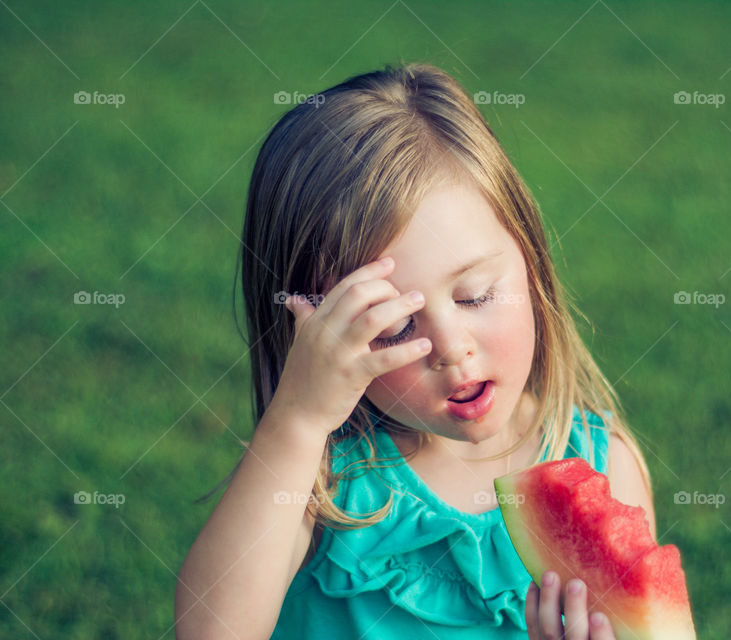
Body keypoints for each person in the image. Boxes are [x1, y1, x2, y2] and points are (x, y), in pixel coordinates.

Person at [175, 62, 656, 640]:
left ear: (529, 256)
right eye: (397, 326)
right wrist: (297, 421)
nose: (452, 350)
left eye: (476, 295)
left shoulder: (604, 470)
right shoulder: (322, 476)